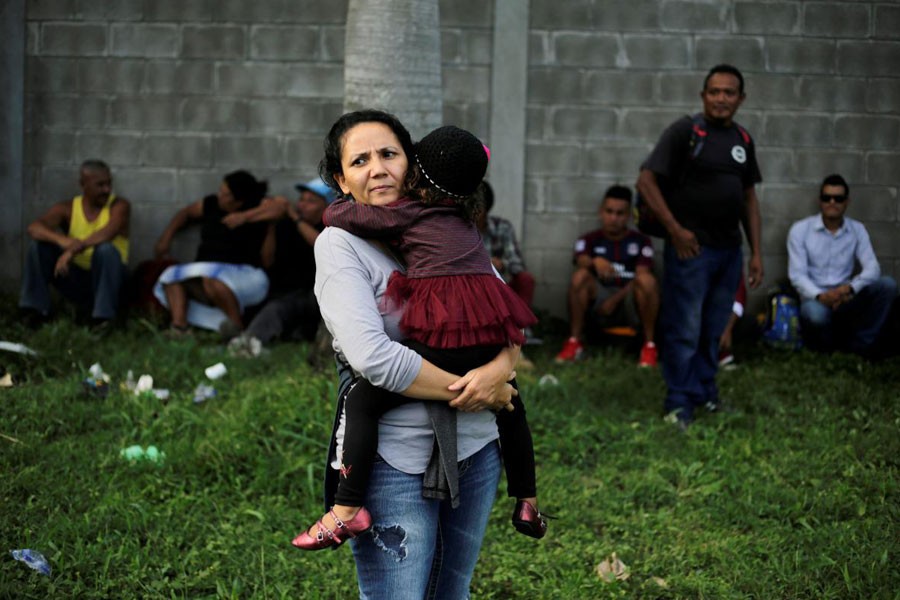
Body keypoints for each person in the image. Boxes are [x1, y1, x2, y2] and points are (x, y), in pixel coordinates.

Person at [299, 109, 526, 598]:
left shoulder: (448, 226)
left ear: (413, 164)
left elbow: (504, 315)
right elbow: (372, 358)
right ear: (341, 180)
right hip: (392, 460)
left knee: (453, 592)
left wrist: (502, 368)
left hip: (476, 448)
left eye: (389, 153)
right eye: (359, 160)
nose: (377, 168)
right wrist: (475, 385)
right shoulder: (341, 245)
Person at [635, 64, 763, 429]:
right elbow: (646, 181)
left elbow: (749, 198)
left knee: (714, 327)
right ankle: (678, 402)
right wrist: (676, 230)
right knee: (685, 327)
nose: (721, 98)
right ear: (703, 95)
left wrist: (756, 251)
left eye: (729, 92)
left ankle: (705, 393)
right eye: (715, 92)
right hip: (692, 252)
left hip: (729, 251)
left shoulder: (743, 140)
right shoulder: (686, 131)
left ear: (741, 98)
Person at [787, 174, 898, 356]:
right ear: (820, 201)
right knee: (815, 315)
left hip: (846, 298)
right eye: (826, 198)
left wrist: (849, 289)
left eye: (838, 198)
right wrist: (821, 296)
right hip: (816, 300)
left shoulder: (857, 229)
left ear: (846, 202)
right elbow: (797, 275)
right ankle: (830, 348)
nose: (832, 202)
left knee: (888, 285)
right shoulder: (800, 230)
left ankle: (862, 345)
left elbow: (873, 269)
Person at [222, 177, 336, 354]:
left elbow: (321, 245)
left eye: (311, 202)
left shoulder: (332, 228)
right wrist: (272, 226)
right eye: (302, 200)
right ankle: (247, 338)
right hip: (287, 291)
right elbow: (268, 260)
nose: (302, 205)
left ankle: (247, 344)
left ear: (326, 206)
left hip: (316, 294)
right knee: (268, 308)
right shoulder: (289, 224)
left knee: (280, 308)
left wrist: (295, 217)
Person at [152, 170, 271, 335]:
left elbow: (282, 206)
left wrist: (244, 217)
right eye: (220, 190)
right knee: (171, 276)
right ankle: (179, 327)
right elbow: (186, 213)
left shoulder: (260, 207)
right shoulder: (212, 204)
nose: (219, 195)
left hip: (244, 274)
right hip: (206, 268)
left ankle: (236, 329)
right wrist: (166, 237)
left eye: (225, 194)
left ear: (239, 201)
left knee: (212, 279)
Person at [555, 185, 660, 367]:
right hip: (599, 301)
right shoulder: (589, 239)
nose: (613, 218)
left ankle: (649, 346)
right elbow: (581, 260)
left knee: (647, 281)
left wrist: (615, 300)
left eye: (620, 213)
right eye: (609, 211)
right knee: (580, 277)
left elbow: (643, 275)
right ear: (601, 212)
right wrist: (595, 261)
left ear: (628, 215)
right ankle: (574, 342)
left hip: (629, 302)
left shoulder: (642, 241)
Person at [19, 159, 130, 329]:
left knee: (106, 250)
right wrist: (63, 241)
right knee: (38, 247)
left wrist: (72, 251)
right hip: (77, 280)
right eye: (100, 185)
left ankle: (103, 319)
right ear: (83, 184)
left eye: (109, 184)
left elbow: (107, 233)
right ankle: (35, 311)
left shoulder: (119, 206)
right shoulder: (68, 208)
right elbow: (34, 228)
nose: (106, 190)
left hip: (110, 281)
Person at [476, 181, 538, 339]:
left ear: (486, 209)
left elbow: (517, 264)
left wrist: (501, 264)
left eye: (478, 207)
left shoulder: (502, 227)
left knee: (525, 279)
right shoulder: (459, 229)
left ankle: (520, 330)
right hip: (474, 288)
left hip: (501, 286)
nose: (473, 212)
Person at [718, 274, 747, 368]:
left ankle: (724, 354)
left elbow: (739, 297)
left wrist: (727, 329)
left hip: (723, 317)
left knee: (749, 325)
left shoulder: (731, 262)